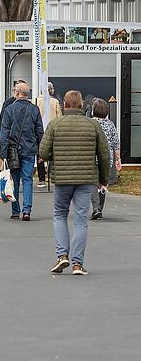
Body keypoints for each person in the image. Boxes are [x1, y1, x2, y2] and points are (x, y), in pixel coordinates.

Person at [40, 90, 110, 276]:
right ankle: (77, 264)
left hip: (62, 179)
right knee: (80, 221)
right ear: (81, 105)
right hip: (86, 180)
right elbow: (104, 155)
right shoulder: (93, 125)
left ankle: (62, 255)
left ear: (65, 104)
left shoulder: (55, 124)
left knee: (60, 215)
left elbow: (44, 153)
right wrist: (103, 179)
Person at [0, 82, 44, 221]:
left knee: (15, 181)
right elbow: (39, 132)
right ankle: (27, 211)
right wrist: (41, 151)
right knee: (28, 180)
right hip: (29, 150)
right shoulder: (35, 109)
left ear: (16, 92)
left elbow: (4, 133)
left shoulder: (9, 110)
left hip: (13, 151)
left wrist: (3, 153)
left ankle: (15, 211)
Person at [90, 98, 120, 220]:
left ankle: (96, 207)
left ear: (93, 110)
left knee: (93, 182)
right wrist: (118, 159)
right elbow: (115, 143)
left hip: (93, 157)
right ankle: (100, 208)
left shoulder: (91, 123)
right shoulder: (110, 124)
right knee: (103, 183)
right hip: (107, 158)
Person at [35, 82, 62, 187]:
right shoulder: (55, 102)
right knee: (53, 153)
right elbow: (59, 117)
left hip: (39, 131)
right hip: (53, 131)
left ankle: (41, 179)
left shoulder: (36, 101)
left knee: (40, 153)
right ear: (51, 90)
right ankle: (52, 176)